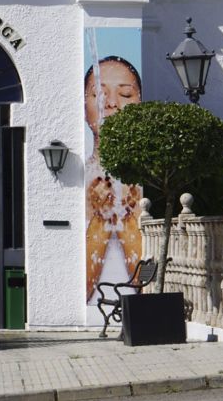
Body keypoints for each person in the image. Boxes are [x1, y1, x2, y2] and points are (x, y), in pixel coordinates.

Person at [84, 56, 143, 301]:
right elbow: (79, 288)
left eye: (126, 95)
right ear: (83, 105)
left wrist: (125, 215)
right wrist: (101, 218)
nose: (111, 104)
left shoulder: (148, 177)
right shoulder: (84, 177)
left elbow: (145, 281)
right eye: (98, 93)